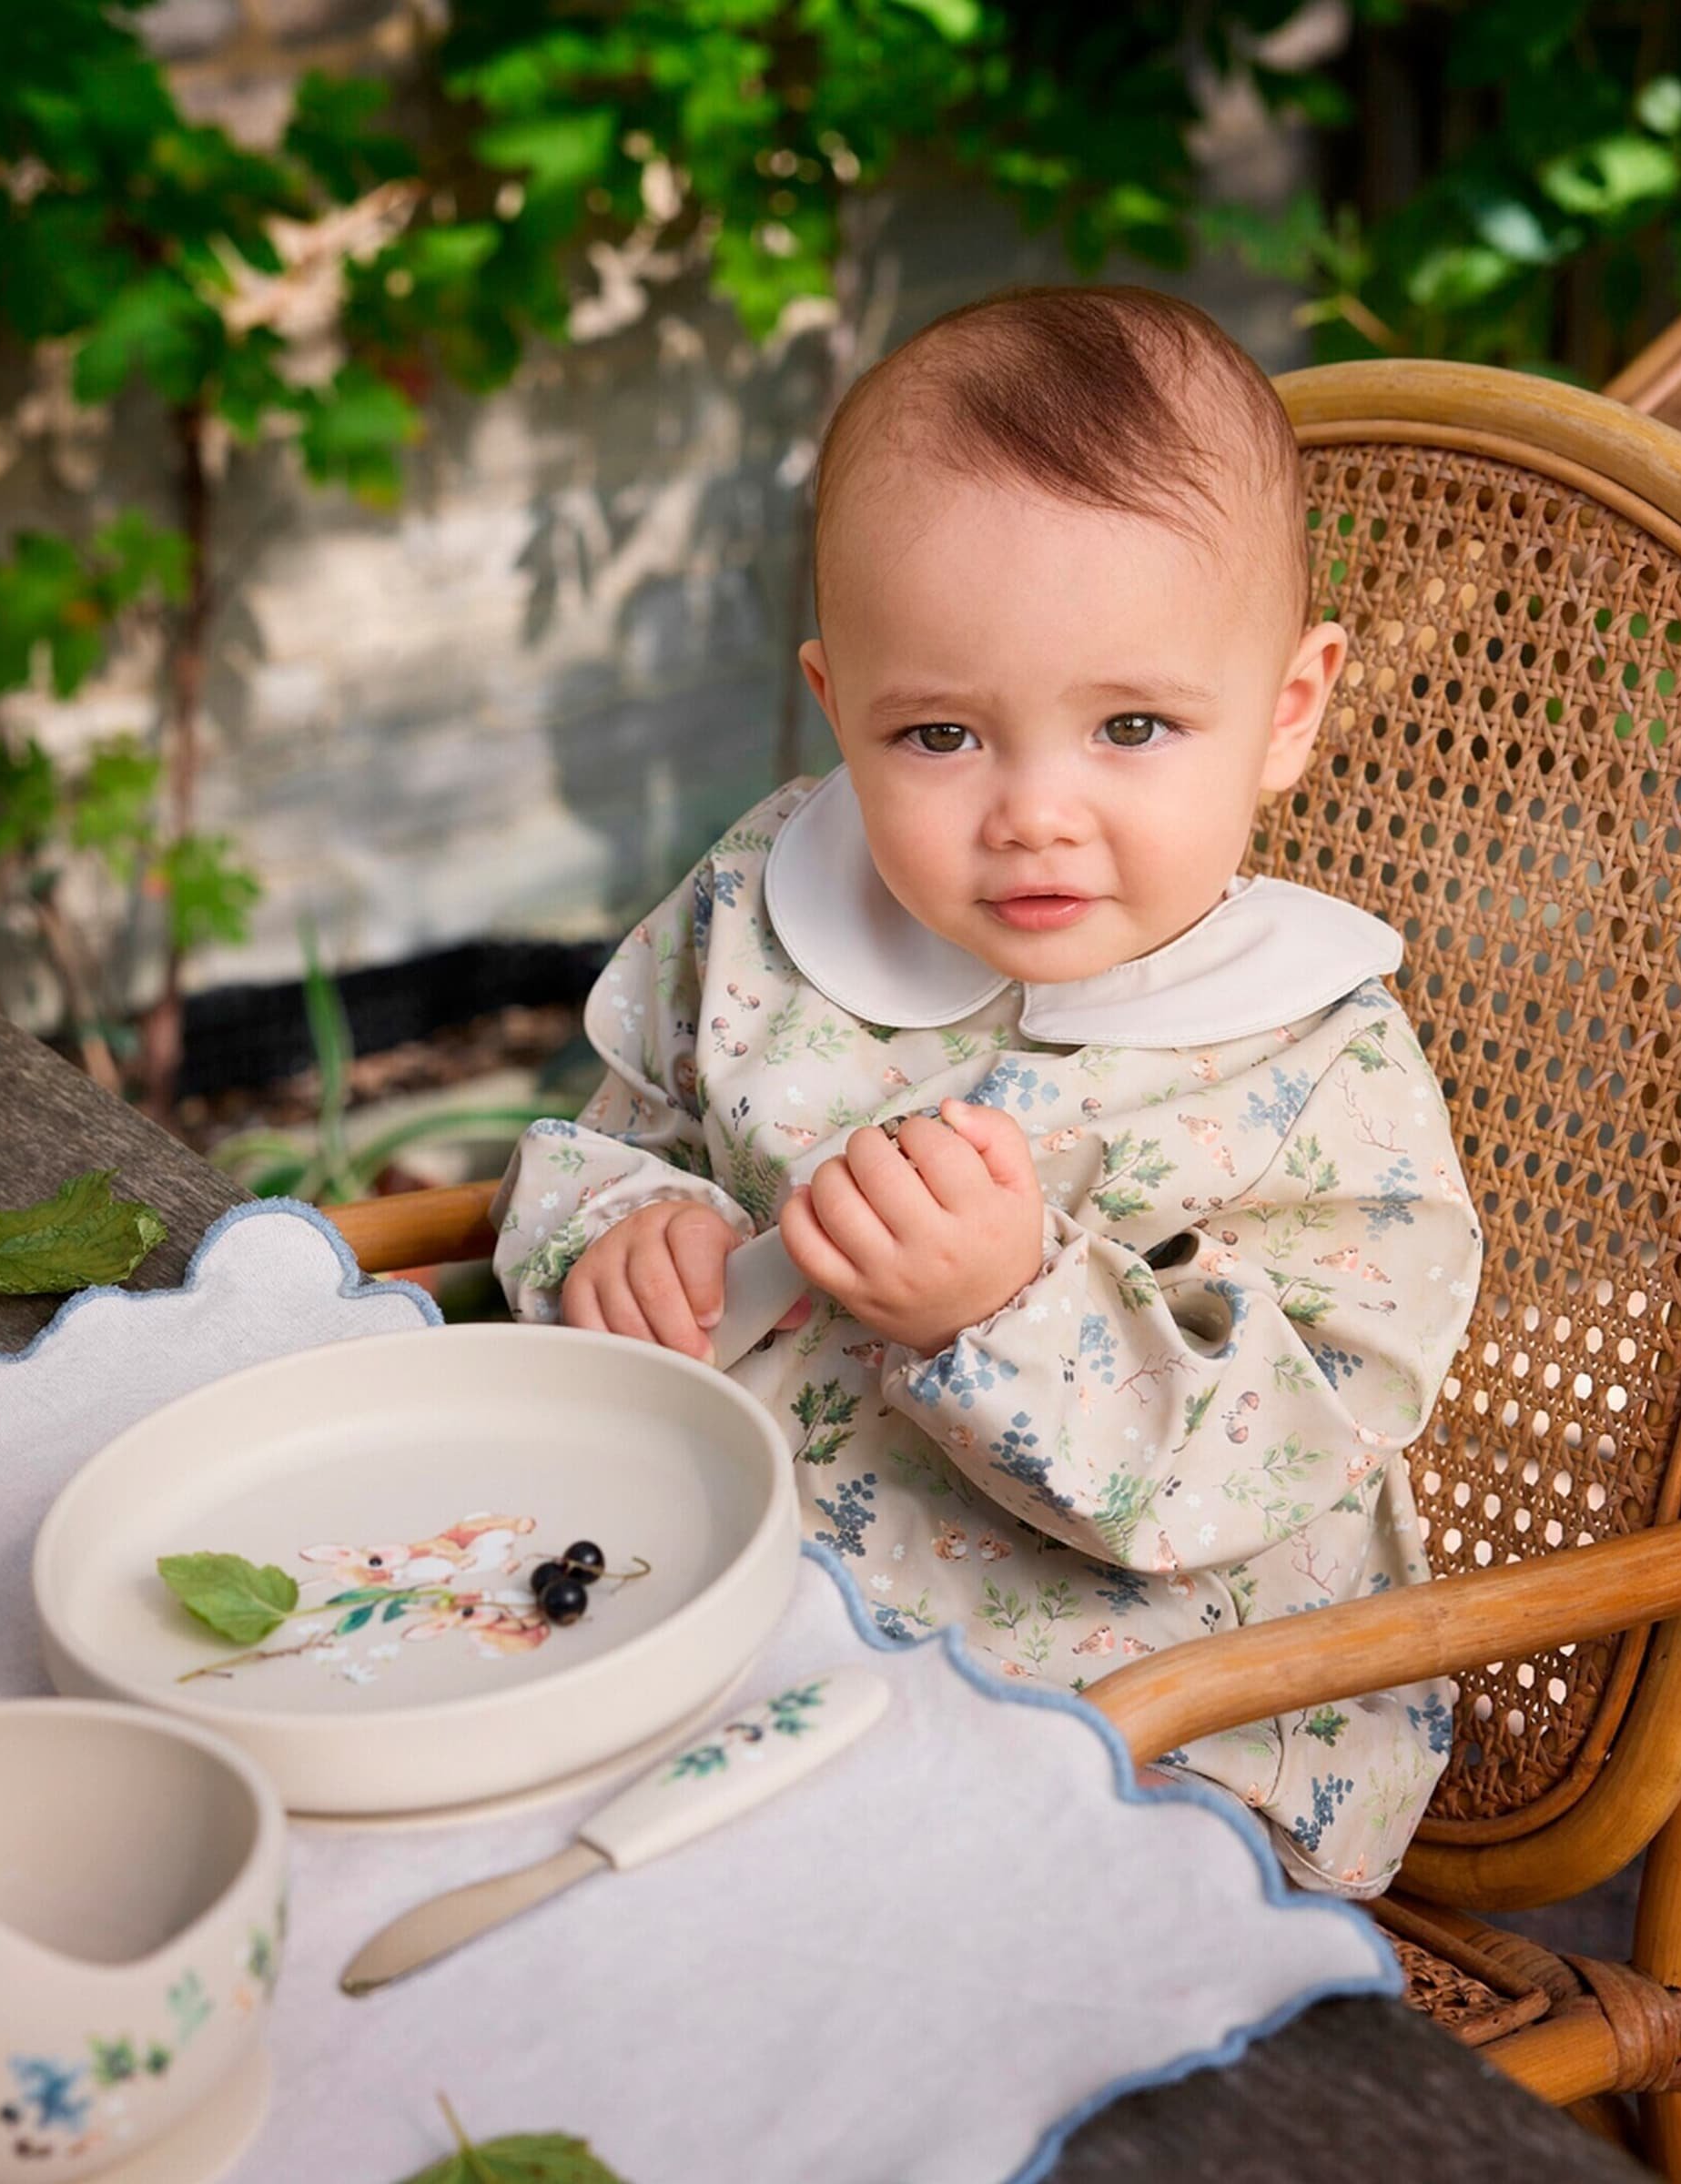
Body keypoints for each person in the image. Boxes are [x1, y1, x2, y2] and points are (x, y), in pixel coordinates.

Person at [492, 285, 1483, 1897]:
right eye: (941, 733)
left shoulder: (1317, 1064)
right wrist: (628, 1229)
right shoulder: (766, 904)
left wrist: (1008, 1310)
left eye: (1133, 727)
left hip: (1144, 1729)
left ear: (1287, 714)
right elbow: (619, 1134)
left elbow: (1284, 1442)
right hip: (729, 1621)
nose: (1034, 813)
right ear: (838, 704)